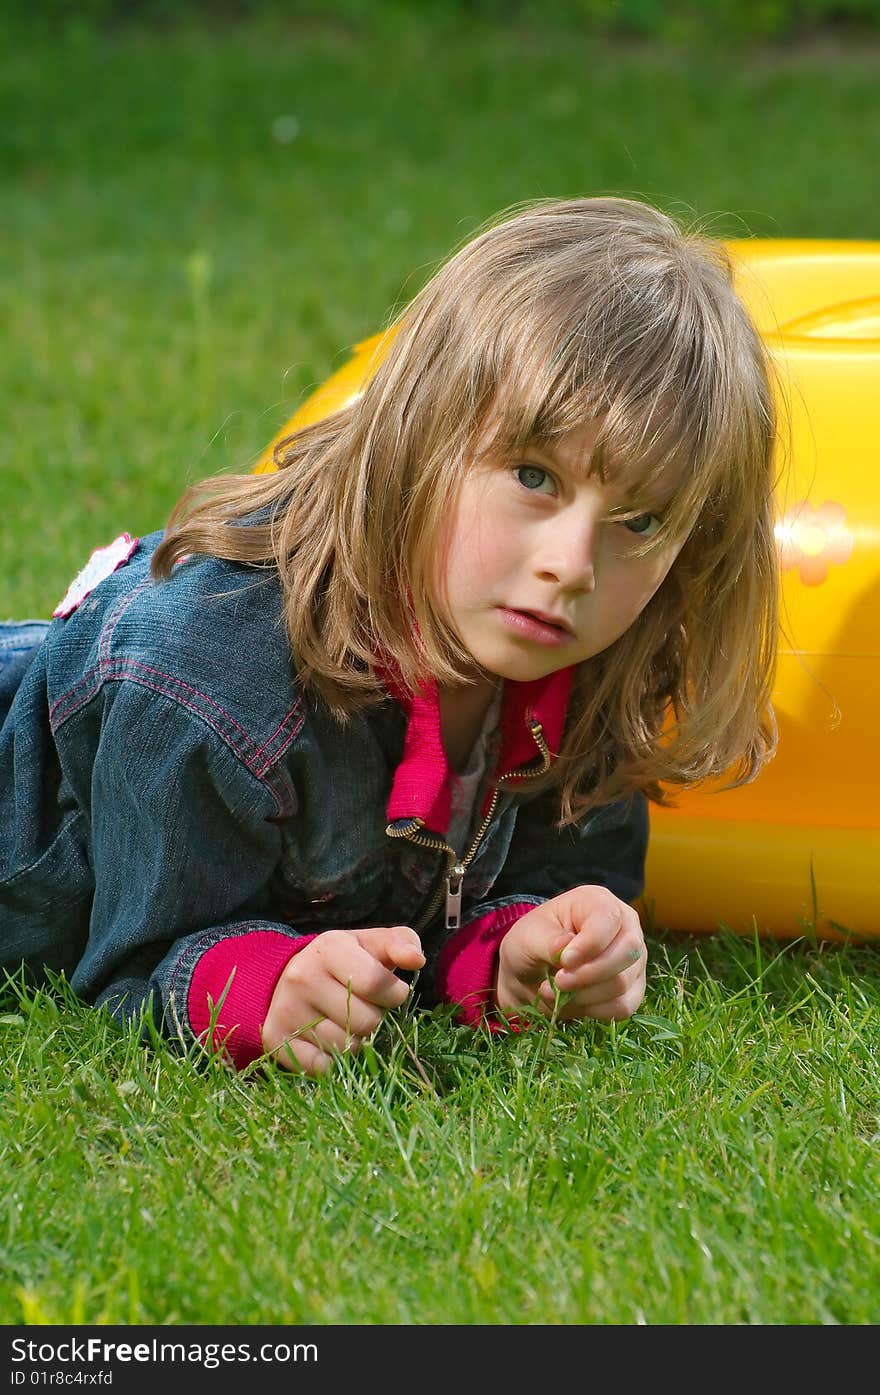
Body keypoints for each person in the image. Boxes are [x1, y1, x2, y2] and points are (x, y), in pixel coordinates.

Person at [0, 196, 779, 1077]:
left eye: (638, 521)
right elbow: (137, 961)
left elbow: (544, 879)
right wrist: (264, 986)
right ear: (423, 432)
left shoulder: (593, 657)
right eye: (534, 476)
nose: (573, 564)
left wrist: (527, 949)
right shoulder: (207, 672)